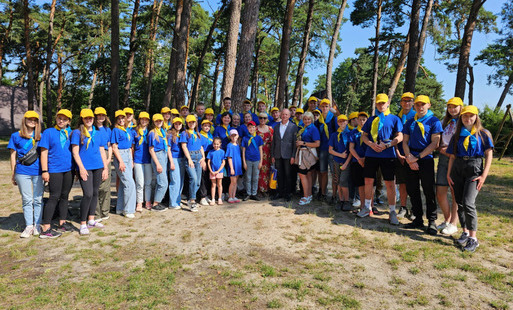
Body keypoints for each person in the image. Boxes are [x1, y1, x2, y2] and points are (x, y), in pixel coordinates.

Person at [447, 105, 493, 252]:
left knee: (468, 202)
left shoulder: (483, 134)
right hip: (458, 168)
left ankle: (473, 238)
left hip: (474, 168)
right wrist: (449, 174)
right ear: (462, 118)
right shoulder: (457, 135)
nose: (468, 119)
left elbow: (488, 155)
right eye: (465, 116)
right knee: (460, 202)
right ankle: (465, 232)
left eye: (471, 116)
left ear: (476, 117)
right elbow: (452, 156)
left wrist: (484, 176)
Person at [358, 94, 403, 225]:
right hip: (371, 154)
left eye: (383, 103)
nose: (381, 105)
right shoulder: (371, 119)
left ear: (388, 103)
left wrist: (388, 145)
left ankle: (392, 211)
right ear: (376, 104)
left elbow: (399, 136)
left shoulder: (394, 119)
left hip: (388, 154)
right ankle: (367, 207)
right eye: (378, 103)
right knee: (368, 181)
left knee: (390, 183)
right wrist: (371, 144)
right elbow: (364, 136)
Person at [402, 95, 443, 235]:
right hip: (410, 157)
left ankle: (432, 221)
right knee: (412, 190)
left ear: (429, 105)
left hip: (425, 159)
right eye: (418, 104)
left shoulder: (434, 121)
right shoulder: (409, 122)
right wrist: (409, 157)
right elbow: (404, 142)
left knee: (428, 190)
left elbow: (435, 143)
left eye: (423, 104)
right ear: (414, 106)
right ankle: (417, 219)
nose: (420, 107)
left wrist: (417, 158)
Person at [71, 109, 109, 235]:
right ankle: (83, 223)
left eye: (91, 118)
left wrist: (105, 167)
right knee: (87, 194)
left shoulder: (98, 133)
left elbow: (102, 150)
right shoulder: (77, 133)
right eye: (86, 118)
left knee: (94, 193)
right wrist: (81, 168)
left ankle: (91, 220)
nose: (89, 120)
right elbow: (75, 152)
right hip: (85, 167)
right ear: (82, 119)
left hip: (98, 166)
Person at [39, 109, 74, 238]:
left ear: (69, 121)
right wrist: (44, 170)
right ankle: (46, 228)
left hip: (68, 170)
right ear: (56, 118)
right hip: (54, 170)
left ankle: (62, 223)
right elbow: (44, 152)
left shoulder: (71, 133)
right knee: (54, 196)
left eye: (65, 119)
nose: (61, 121)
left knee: (65, 196)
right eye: (60, 118)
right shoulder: (49, 132)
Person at [8, 111, 43, 238]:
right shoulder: (15, 136)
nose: (32, 121)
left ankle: (37, 224)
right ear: (24, 120)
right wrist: (13, 172)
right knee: (27, 200)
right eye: (29, 119)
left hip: (38, 172)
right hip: (22, 172)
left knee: (38, 199)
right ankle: (29, 226)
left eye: (35, 119)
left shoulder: (40, 136)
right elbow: (12, 155)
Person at [436, 97, 463, 235]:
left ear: (461, 107)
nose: (452, 109)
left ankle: (454, 223)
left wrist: (450, 152)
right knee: (440, 192)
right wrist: (440, 147)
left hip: (455, 159)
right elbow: (440, 139)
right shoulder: (445, 121)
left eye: (455, 107)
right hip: (443, 158)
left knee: (454, 193)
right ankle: (447, 220)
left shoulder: (464, 122)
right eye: (449, 107)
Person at [111, 110, 137, 218]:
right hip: (120, 155)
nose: (121, 120)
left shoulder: (127, 130)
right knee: (130, 183)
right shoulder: (116, 130)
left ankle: (120, 208)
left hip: (128, 155)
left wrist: (130, 160)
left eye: (123, 118)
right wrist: (121, 161)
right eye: (119, 118)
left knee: (123, 184)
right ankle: (128, 210)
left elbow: (130, 146)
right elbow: (114, 146)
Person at [395, 92, 416, 219]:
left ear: (413, 103)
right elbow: (395, 137)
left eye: (409, 101)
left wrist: (411, 156)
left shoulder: (417, 116)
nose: (407, 103)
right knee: (402, 182)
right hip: (400, 155)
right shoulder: (397, 117)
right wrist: (398, 153)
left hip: (413, 155)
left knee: (412, 183)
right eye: (404, 101)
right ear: (401, 102)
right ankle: (403, 207)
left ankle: (414, 208)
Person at [270, 109, 297, 201]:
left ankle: (288, 193)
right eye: (283, 114)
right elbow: (274, 142)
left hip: (288, 155)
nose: (284, 116)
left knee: (288, 175)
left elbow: (294, 143)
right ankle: (280, 192)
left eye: (286, 114)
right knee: (279, 174)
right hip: (278, 154)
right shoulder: (276, 127)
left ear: (289, 116)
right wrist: (272, 155)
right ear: (280, 115)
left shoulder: (293, 127)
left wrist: (293, 156)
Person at [180, 115, 206, 212]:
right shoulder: (185, 133)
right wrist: (189, 159)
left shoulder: (198, 134)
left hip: (198, 157)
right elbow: (184, 146)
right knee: (193, 178)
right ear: (187, 123)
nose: (192, 124)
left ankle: (191, 197)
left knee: (198, 181)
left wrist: (203, 157)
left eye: (193, 122)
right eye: (190, 122)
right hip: (190, 157)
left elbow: (201, 147)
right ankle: (192, 201)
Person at [148, 113, 173, 212]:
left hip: (164, 154)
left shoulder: (162, 132)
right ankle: (155, 204)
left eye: (160, 121)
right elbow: (151, 149)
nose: (159, 122)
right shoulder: (152, 133)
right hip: (157, 156)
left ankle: (157, 202)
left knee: (160, 181)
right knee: (163, 183)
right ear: (153, 122)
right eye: (157, 121)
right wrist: (157, 163)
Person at [296, 112, 320, 205]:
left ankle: (306, 196)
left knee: (303, 175)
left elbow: (317, 143)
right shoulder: (303, 128)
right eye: (305, 119)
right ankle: (308, 195)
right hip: (303, 153)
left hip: (308, 154)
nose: (307, 121)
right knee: (308, 175)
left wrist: (304, 143)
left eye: (309, 119)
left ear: (312, 119)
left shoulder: (313, 129)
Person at [329, 114, 352, 210]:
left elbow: (351, 151)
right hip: (336, 161)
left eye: (344, 121)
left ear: (347, 122)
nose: (342, 123)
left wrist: (346, 162)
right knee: (338, 181)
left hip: (347, 162)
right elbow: (330, 150)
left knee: (343, 182)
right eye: (340, 121)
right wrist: (340, 155)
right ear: (337, 123)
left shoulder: (350, 133)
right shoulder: (334, 135)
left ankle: (347, 201)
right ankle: (340, 200)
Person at [94, 107, 113, 221]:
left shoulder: (107, 130)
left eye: (103, 115)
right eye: (98, 115)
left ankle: (105, 211)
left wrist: (108, 158)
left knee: (106, 186)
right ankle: (96, 213)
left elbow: (109, 145)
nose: (101, 117)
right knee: (96, 186)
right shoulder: (92, 129)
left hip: (106, 155)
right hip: (95, 155)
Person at [133, 112, 153, 212]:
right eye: (142, 119)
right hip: (138, 160)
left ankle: (148, 200)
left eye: (146, 119)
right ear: (139, 120)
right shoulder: (135, 132)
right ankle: (139, 202)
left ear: (148, 121)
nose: (144, 121)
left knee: (148, 182)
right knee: (139, 183)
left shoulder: (150, 132)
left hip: (148, 160)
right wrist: (132, 160)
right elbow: (132, 147)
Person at [349, 112, 369, 212]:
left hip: (369, 160)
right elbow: (351, 148)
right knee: (360, 184)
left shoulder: (370, 132)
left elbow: (371, 145)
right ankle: (362, 204)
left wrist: (365, 158)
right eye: (360, 119)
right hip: (356, 161)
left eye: (364, 119)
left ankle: (370, 206)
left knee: (369, 184)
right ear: (357, 120)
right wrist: (358, 159)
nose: (361, 122)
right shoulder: (353, 132)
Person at [242, 121, 264, 201]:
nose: (251, 129)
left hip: (256, 160)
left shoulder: (258, 138)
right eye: (249, 127)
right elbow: (243, 151)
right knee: (248, 177)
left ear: (256, 128)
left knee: (255, 177)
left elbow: (261, 150)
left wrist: (261, 162)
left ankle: (254, 193)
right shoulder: (245, 138)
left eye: (253, 127)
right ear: (247, 128)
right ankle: (248, 193)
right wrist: (244, 162)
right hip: (248, 160)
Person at [168, 118, 186, 210]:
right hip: (174, 158)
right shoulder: (170, 134)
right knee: (175, 181)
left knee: (181, 181)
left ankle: (177, 201)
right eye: (176, 124)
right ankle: (172, 203)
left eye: (180, 124)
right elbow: (168, 149)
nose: (178, 125)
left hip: (182, 159)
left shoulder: (183, 134)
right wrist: (171, 162)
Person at [256, 112, 274, 196]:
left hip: (268, 152)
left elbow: (273, 142)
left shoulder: (270, 129)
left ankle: (266, 189)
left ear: (267, 119)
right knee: (258, 170)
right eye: (260, 118)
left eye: (264, 118)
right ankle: (258, 189)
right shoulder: (255, 129)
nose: (262, 120)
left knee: (267, 170)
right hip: (257, 152)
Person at [198, 119, 214, 206]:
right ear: (202, 126)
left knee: (208, 176)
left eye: (208, 126)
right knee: (203, 176)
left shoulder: (210, 135)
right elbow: (200, 147)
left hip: (210, 155)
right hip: (203, 155)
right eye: (205, 126)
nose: (207, 127)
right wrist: (203, 159)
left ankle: (207, 194)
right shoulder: (200, 135)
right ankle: (202, 197)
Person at [226, 129, 243, 203]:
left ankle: (234, 196)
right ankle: (230, 196)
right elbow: (229, 157)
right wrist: (231, 168)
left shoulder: (237, 145)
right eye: (232, 136)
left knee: (235, 182)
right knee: (232, 182)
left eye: (235, 135)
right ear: (230, 136)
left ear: (238, 136)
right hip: (232, 166)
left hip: (238, 165)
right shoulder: (229, 145)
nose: (234, 137)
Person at [207, 137, 226, 205]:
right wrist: (211, 170)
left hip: (219, 171)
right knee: (213, 185)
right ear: (212, 144)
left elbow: (223, 162)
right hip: (212, 171)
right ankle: (213, 199)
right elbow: (208, 162)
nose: (216, 145)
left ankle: (220, 198)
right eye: (214, 144)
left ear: (220, 144)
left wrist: (218, 170)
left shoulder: (222, 152)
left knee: (219, 184)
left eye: (217, 144)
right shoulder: (210, 152)